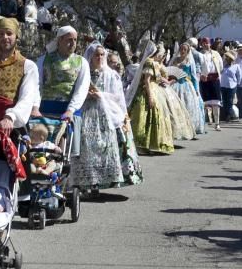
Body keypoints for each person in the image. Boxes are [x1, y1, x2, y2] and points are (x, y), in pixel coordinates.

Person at [74, 43, 126, 191]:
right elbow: (76, 91)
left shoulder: (111, 74)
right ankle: (85, 181)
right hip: (86, 112)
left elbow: (117, 97)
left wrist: (100, 95)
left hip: (104, 113)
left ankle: (101, 181)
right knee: (85, 145)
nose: (99, 57)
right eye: (97, 55)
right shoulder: (83, 74)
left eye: (102, 55)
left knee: (103, 146)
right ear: (90, 56)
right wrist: (86, 95)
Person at [36, 26, 90, 158]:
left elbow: (81, 89)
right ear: (59, 40)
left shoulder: (81, 62)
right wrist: (35, 107)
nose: (73, 43)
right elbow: (37, 85)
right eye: (69, 40)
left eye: (75, 40)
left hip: (68, 113)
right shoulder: (43, 60)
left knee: (65, 157)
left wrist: (71, 109)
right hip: (45, 111)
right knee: (41, 152)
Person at [0, 18, 39, 135]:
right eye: (1, 34)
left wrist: (10, 117)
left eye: (9, 33)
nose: (5, 37)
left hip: (9, 127)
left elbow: (27, 98)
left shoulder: (28, 66)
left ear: (16, 36)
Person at [127, 41, 174, 155]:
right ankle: (141, 145)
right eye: (161, 53)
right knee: (144, 118)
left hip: (155, 90)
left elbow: (156, 78)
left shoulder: (155, 63)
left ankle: (150, 144)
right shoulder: (149, 62)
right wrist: (150, 96)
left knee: (154, 117)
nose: (161, 56)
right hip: (147, 91)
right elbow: (147, 81)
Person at [169, 42, 205, 134]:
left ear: (188, 50)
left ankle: (190, 127)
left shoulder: (189, 61)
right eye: (181, 49)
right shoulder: (175, 60)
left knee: (188, 105)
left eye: (185, 49)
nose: (182, 51)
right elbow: (170, 72)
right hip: (174, 84)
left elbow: (193, 76)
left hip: (186, 85)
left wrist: (196, 89)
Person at [199, 37, 223, 131]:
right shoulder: (199, 54)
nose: (205, 45)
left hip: (214, 79)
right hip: (204, 79)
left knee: (216, 103)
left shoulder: (215, 53)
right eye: (203, 43)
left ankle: (217, 123)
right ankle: (204, 123)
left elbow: (220, 65)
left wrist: (216, 74)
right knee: (205, 103)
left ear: (210, 44)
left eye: (207, 43)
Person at [220, 51, 241, 121]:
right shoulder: (223, 65)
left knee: (229, 100)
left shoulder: (236, 66)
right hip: (223, 85)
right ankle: (226, 114)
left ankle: (228, 115)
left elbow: (239, 76)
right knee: (224, 100)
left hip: (232, 85)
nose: (227, 59)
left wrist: (237, 83)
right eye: (227, 58)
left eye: (228, 58)